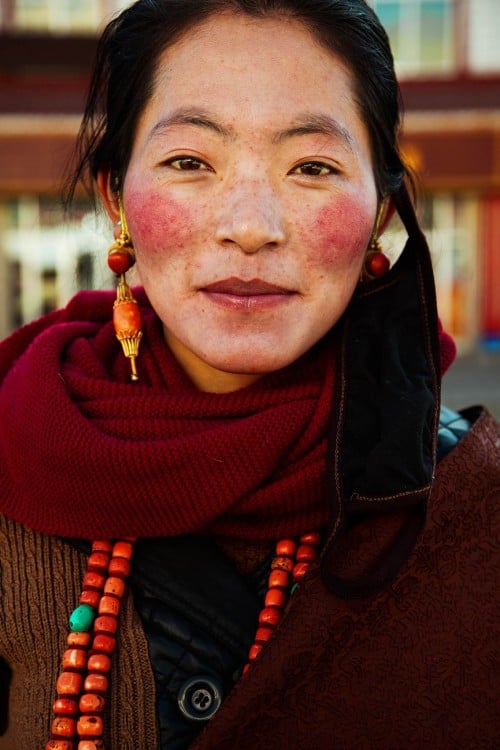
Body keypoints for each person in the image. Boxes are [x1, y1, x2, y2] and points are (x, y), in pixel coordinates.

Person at [0, 0, 498, 748]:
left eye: (312, 167)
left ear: (382, 213)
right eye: (191, 162)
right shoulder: (15, 456)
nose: (250, 224)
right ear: (115, 196)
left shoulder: (470, 506)